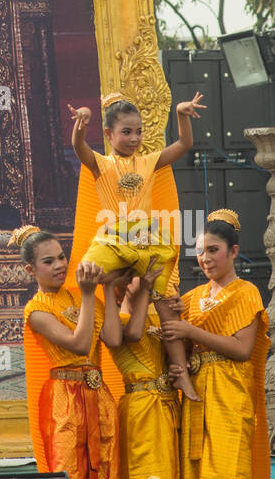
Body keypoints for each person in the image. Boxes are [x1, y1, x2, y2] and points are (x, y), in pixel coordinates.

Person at [67, 90, 206, 401]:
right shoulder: (102, 164)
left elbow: (184, 145)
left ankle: (180, 372)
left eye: (139, 131)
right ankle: (84, 354)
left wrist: (182, 114)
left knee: (167, 301)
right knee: (87, 274)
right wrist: (81, 123)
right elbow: (80, 148)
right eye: (126, 132)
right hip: (113, 240)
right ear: (109, 134)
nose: (134, 138)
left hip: (144, 239)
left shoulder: (148, 161)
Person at [161, 210, 270, 479]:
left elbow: (241, 349)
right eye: (200, 251)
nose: (205, 258)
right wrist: (180, 368)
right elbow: (180, 345)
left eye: (213, 250)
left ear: (234, 251)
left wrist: (190, 329)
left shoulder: (246, 292)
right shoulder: (191, 298)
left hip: (230, 397)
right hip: (196, 400)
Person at [16, 224, 124, 479]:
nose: (60, 265)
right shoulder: (37, 309)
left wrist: (107, 287)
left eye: (62, 257)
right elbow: (79, 346)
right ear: (31, 270)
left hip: (99, 399)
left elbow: (110, 338)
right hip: (65, 403)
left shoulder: (76, 298)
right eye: (49, 261)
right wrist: (90, 294)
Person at [108, 265, 183, 479]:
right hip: (142, 415)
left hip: (169, 412)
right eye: (135, 274)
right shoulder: (115, 318)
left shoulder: (157, 312)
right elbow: (134, 334)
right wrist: (150, 292)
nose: (142, 279)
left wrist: (177, 315)